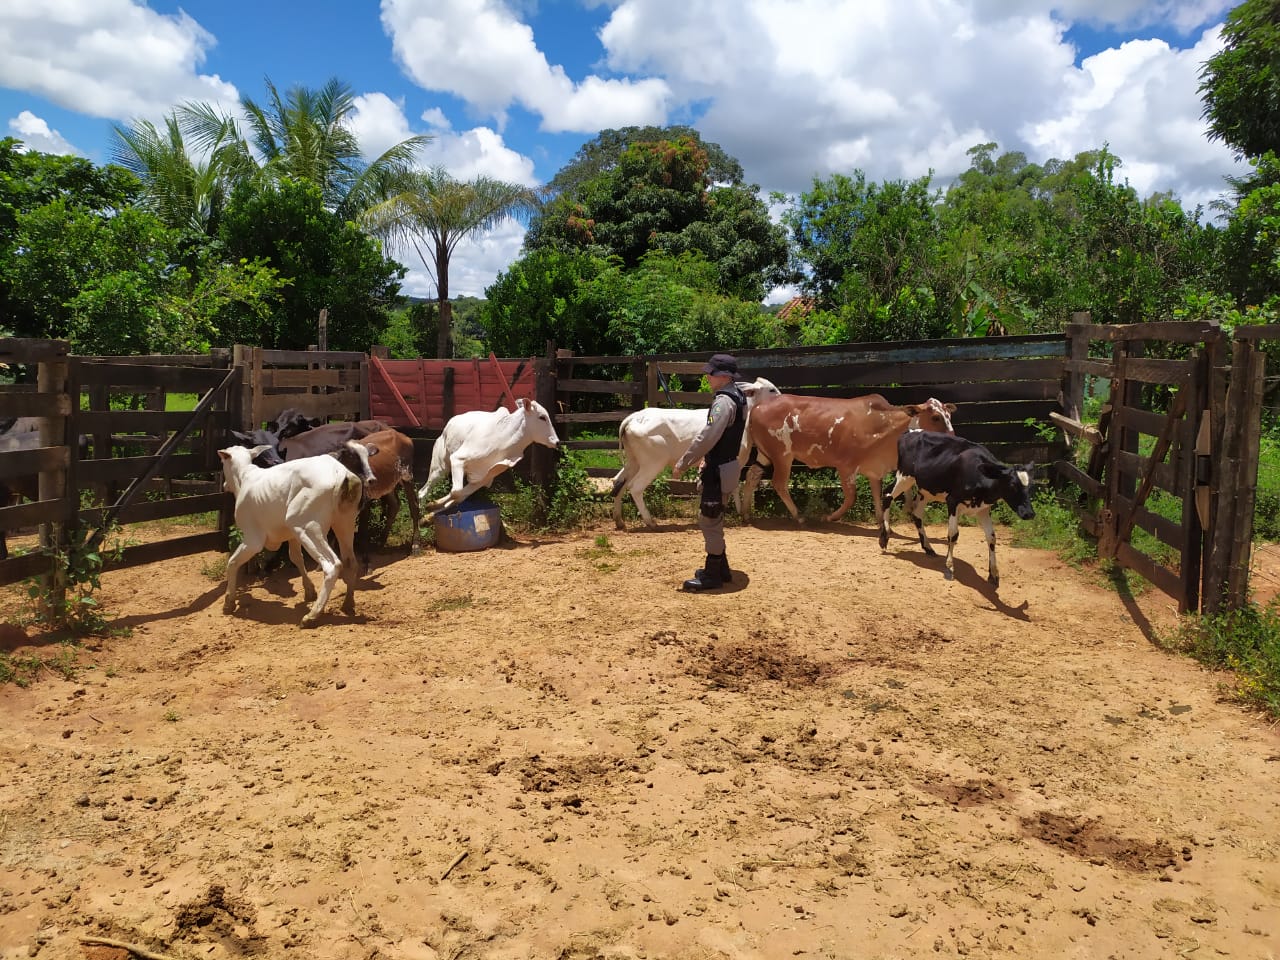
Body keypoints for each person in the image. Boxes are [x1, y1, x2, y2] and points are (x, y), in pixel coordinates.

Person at [672, 353, 748, 591]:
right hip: (727, 465)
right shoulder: (738, 396)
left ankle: (712, 575)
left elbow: (708, 436)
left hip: (718, 470)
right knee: (715, 517)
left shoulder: (723, 402)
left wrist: (685, 461)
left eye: (711, 373)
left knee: (709, 521)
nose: (707, 376)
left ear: (723, 376)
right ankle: (721, 569)